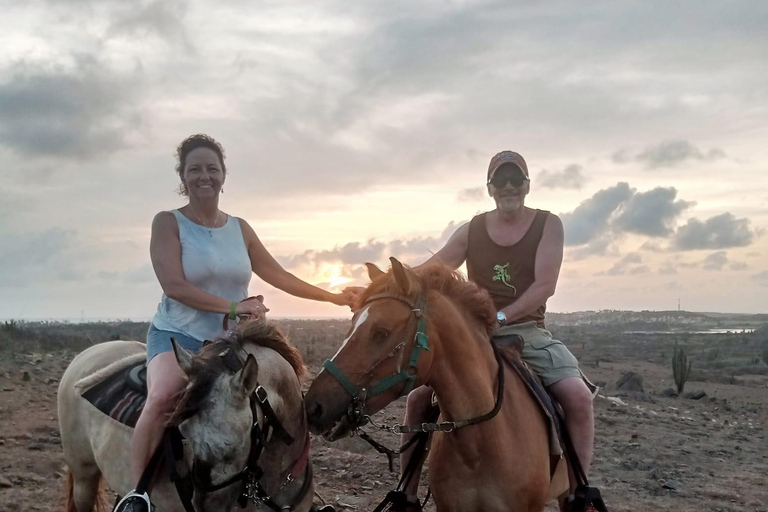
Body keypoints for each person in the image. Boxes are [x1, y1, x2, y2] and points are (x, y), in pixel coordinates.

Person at [117, 134, 355, 512]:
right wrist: (234, 307)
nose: (204, 176)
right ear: (183, 176)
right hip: (179, 334)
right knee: (163, 397)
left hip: (228, 343)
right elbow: (174, 286)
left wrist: (332, 295)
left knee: (277, 407)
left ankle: (289, 486)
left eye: (212, 168)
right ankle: (138, 495)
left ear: (223, 176)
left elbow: (279, 275)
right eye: (194, 169)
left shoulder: (239, 228)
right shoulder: (168, 223)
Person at [396, 151, 595, 511]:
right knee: (418, 400)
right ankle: (406, 495)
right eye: (499, 180)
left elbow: (543, 286)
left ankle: (580, 493)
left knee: (578, 398)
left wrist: (500, 318)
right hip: (473, 338)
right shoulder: (473, 229)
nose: (508, 187)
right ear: (489, 188)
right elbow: (432, 267)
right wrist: (389, 284)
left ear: (527, 185)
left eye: (515, 179)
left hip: (526, 332)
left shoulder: (548, 225)